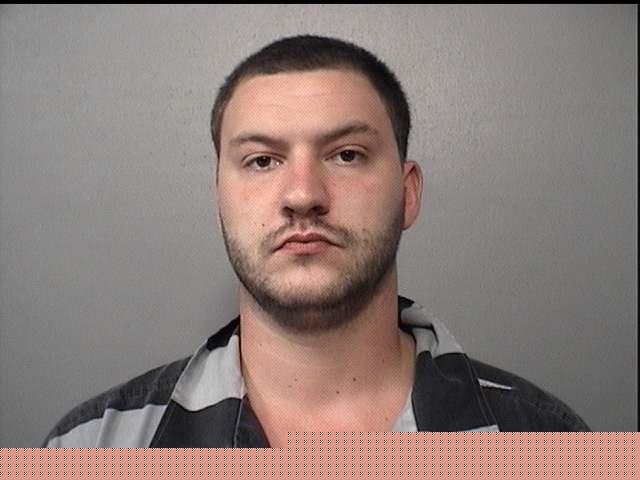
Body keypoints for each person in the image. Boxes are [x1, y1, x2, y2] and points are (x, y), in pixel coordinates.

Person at [42, 34, 589, 448]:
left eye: (347, 155)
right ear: (219, 199)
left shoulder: (555, 447)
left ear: (408, 194)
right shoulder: (85, 449)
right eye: (262, 161)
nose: (303, 194)